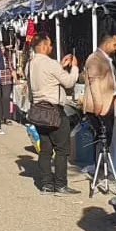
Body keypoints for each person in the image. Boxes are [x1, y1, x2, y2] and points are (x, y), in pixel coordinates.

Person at [26, 33, 79, 194]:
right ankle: (61, 184)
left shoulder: (30, 64)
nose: (51, 47)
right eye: (49, 45)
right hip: (54, 111)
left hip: (39, 110)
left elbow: (47, 78)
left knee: (45, 149)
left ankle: (46, 183)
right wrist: (74, 67)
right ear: (42, 46)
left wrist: (60, 67)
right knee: (62, 149)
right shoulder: (50, 63)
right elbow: (69, 81)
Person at [80, 33, 116, 169]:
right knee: (101, 137)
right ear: (107, 43)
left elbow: (113, 82)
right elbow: (94, 82)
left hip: (110, 103)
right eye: (115, 45)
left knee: (107, 137)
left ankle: (103, 166)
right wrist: (98, 104)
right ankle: (97, 167)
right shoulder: (94, 59)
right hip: (101, 106)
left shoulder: (107, 59)